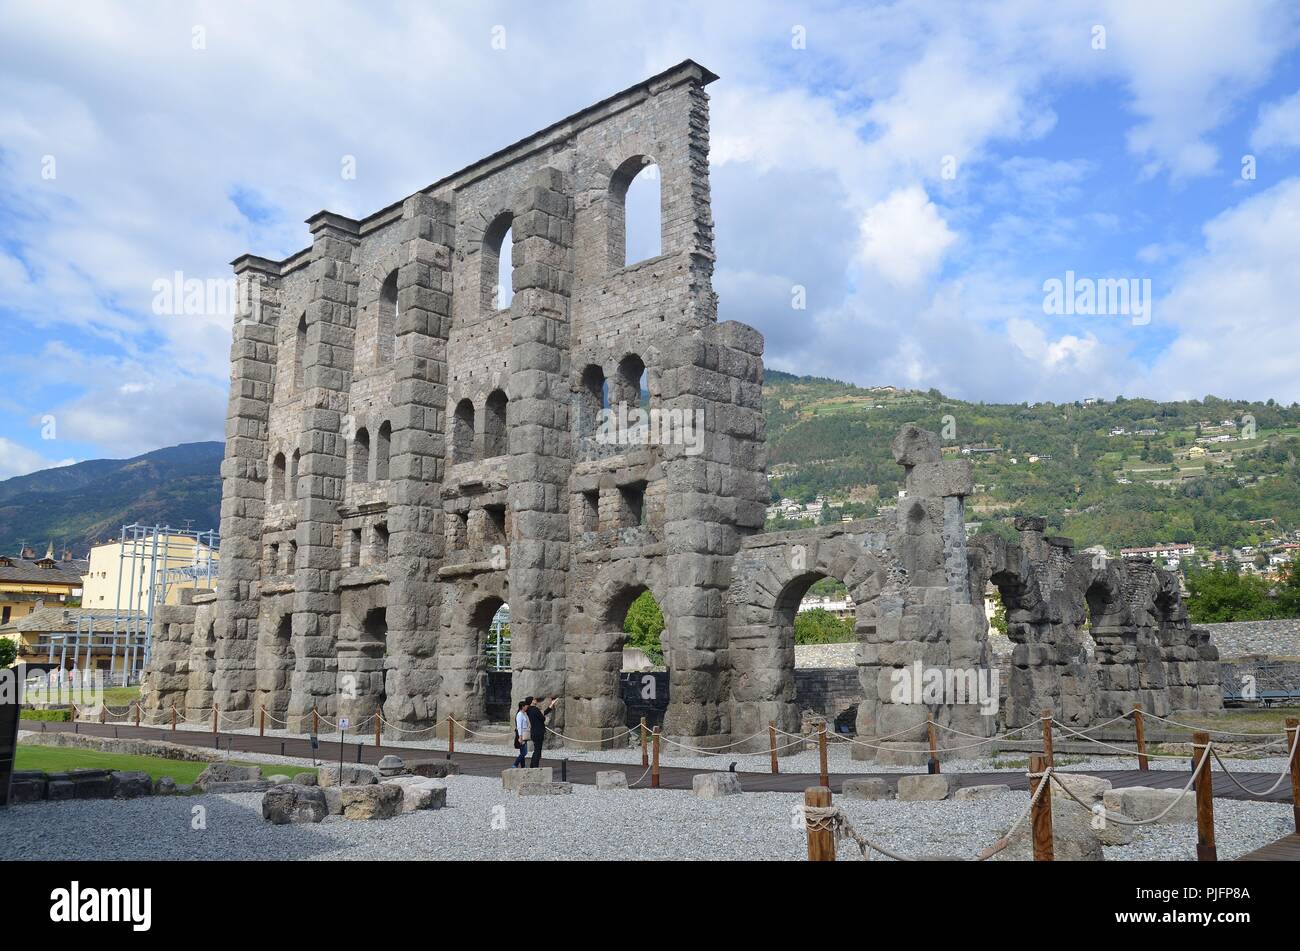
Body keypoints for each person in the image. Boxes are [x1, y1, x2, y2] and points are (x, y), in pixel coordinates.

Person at [526, 695, 558, 768]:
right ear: (531, 701)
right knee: (538, 751)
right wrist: (544, 718)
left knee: (536, 750)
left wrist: (551, 705)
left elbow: (543, 713)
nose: (535, 700)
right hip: (538, 732)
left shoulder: (529, 710)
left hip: (534, 732)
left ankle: (532, 766)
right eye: (534, 699)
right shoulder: (535, 709)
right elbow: (542, 718)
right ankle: (535, 767)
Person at [512, 699, 531, 768]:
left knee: (522, 751)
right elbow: (519, 726)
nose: (527, 707)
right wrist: (520, 737)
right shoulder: (519, 714)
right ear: (522, 706)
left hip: (524, 734)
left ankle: (522, 766)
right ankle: (515, 764)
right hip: (521, 734)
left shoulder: (523, 714)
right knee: (524, 752)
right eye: (526, 706)